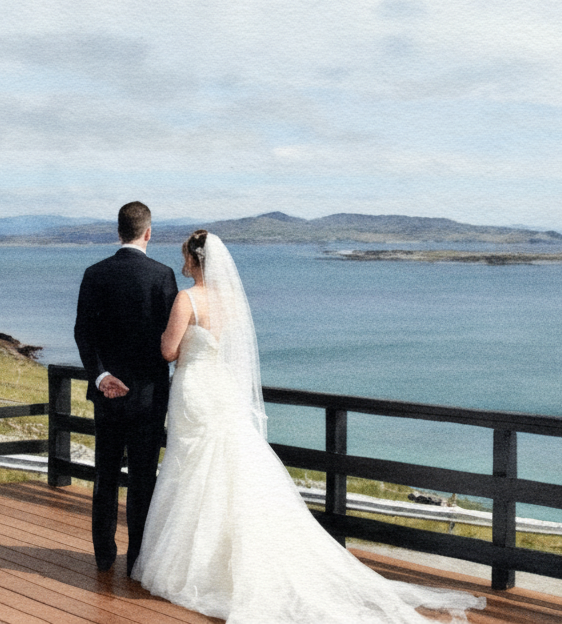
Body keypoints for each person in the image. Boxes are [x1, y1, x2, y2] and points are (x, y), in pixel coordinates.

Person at [133, 230, 485, 623]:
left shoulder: (187, 298)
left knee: (192, 469)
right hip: (222, 391)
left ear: (195, 261)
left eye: (185, 256)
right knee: (226, 470)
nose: (182, 263)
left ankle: (196, 567)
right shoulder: (232, 300)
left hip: (195, 390)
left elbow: (168, 349)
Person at [74, 201, 179, 575]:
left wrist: (101, 376)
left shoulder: (94, 273)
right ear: (148, 232)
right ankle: (137, 558)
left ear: (118, 231)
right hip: (149, 396)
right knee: (142, 480)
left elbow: (82, 333)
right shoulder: (163, 276)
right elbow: (170, 341)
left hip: (108, 394)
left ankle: (104, 556)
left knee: (105, 476)